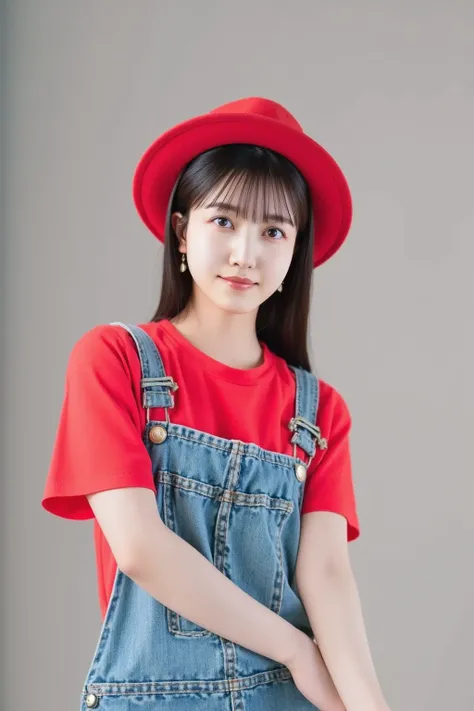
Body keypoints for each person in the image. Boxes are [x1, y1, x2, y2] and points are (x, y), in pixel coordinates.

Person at [42, 97, 391, 711]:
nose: (245, 253)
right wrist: (295, 650)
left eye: (273, 231)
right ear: (182, 230)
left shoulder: (320, 411)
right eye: (224, 221)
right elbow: (140, 548)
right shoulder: (114, 360)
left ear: (293, 255)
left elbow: (327, 574)